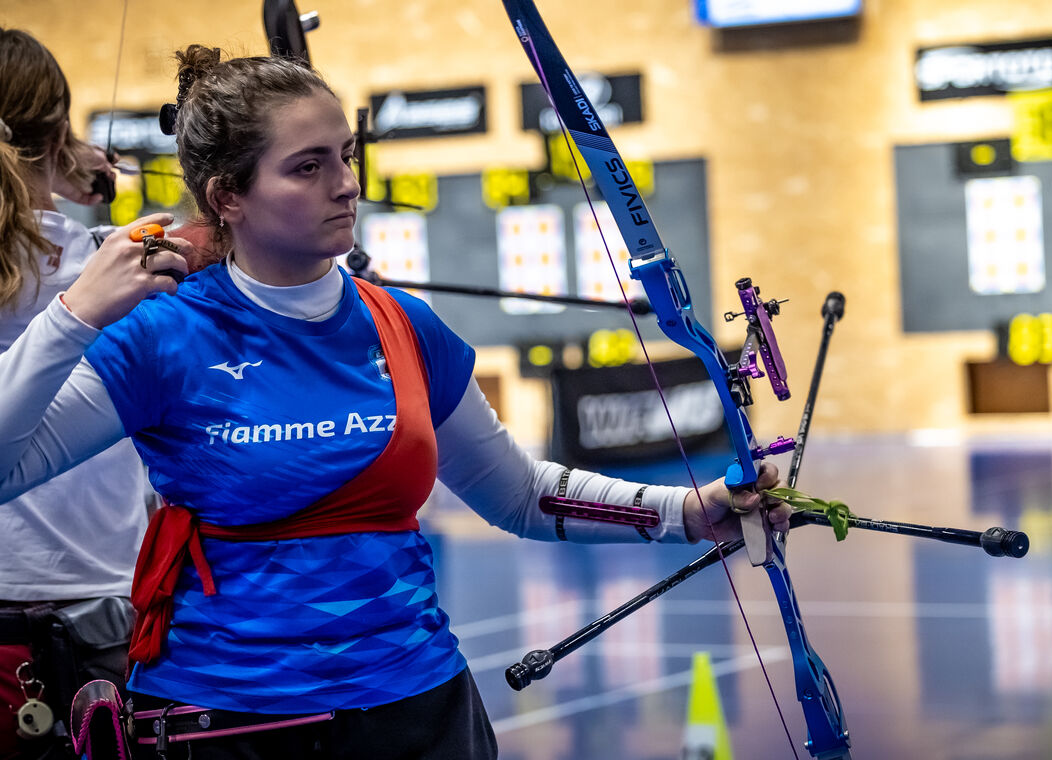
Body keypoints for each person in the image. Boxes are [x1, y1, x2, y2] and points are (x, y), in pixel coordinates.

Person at [0, 44, 789, 760]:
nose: (346, 184)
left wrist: (688, 510)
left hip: (420, 706)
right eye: (307, 167)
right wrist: (73, 319)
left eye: (343, 156)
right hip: (233, 720)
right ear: (226, 196)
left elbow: (520, 494)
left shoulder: (402, 323)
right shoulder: (163, 336)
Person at [0, 27, 192, 760]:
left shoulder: (99, 260)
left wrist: (51, 167)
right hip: (108, 638)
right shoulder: (118, 266)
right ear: (55, 134)